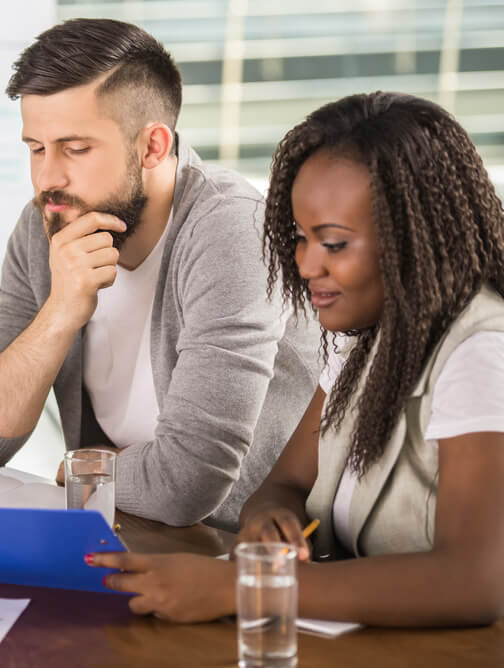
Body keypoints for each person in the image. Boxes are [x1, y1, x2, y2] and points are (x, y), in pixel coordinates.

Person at [90, 91, 504, 627]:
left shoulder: (481, 352)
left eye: (333, 244)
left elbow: (474, 581)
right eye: (301, 238)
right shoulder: (366, 336)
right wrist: (272, 523)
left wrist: (249, 586)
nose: (306, 265)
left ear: (415, 237)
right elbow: (283, 485)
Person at [0, 18, 319, 530]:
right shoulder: (46, 226)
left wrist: (77, 469)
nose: (48, 177)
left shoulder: (231, 229)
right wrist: (58, 314)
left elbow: (186, 483)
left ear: (153, 147)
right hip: (134, 537)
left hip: (243, 554)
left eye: (75, 149)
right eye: (35, 148)